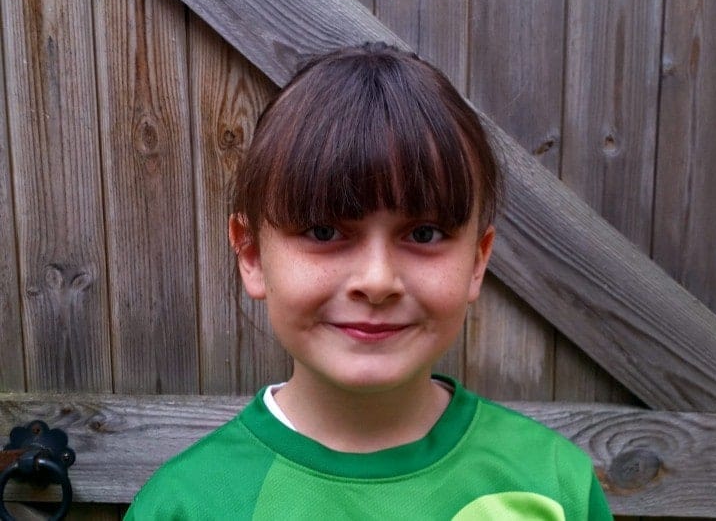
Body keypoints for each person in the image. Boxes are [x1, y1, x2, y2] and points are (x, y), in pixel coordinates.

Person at [125, 42, 612, 520]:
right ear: (251, 254)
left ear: (477, 263)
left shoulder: (554, 485)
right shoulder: (185, 505)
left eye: (424, 233)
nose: (377, 281)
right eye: (324, 231)